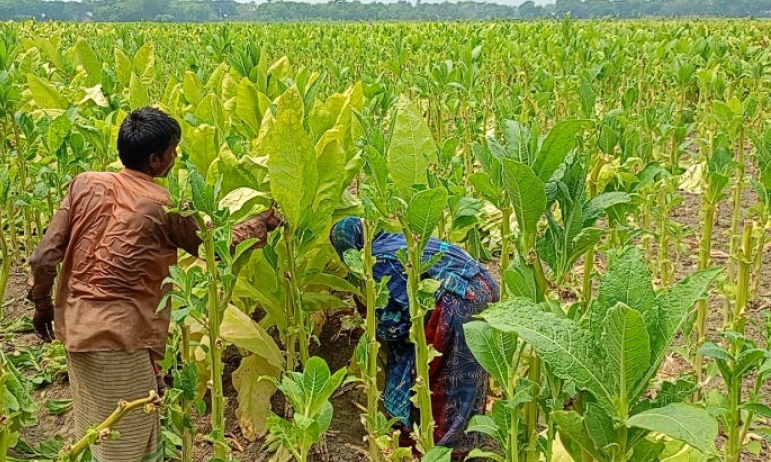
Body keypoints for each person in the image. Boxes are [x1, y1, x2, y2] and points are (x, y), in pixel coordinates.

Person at [26, 107, 281, 462]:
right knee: (127, 442)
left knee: (97, 428)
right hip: (120, 339)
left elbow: (42, 258)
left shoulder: (84, 183)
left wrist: (42, 306)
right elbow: (218, 246)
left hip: (74, 327)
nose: (176, 158)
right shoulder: (165, 205)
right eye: (173, 151)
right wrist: (261, 223)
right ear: (155, 159)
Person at [329, 216, 499, 457]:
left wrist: (375, 330)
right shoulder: (392, 240)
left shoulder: (378, 260)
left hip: (460, 304)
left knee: (446, 377)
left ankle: (442, 449)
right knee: (471, 373)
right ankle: (466, 440)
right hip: (486, 287)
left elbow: (400, 321)